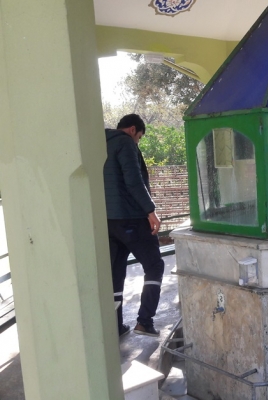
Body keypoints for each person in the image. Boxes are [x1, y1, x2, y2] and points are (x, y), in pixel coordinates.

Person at [103, 114, 164, 338]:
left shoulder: (99, 143)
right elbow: (134, 180)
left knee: (115, 274)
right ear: (132, 130)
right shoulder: (125, 142)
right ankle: (144, 321)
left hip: (107, 221)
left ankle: (115, 326)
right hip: (131, 218)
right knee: (154, 266)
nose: (137, 141)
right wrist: (150, 211)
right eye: (139, 137)